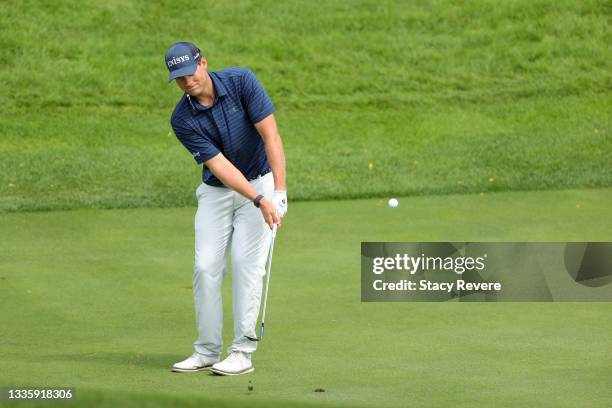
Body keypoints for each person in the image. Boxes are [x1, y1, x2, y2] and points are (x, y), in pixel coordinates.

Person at [164, 42, 287, 376]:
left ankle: (242, 352)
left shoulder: (241, 82)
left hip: (261, 182)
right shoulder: (182, 119)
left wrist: (278, 191)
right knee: (205, 267)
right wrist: (258, 200)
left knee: (247, 265)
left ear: (203, 63)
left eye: (189, 73)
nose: (187, 82)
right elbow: (219, 166)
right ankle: (206, 350)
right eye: (178, 79)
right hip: (218, 192)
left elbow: (271, 135)